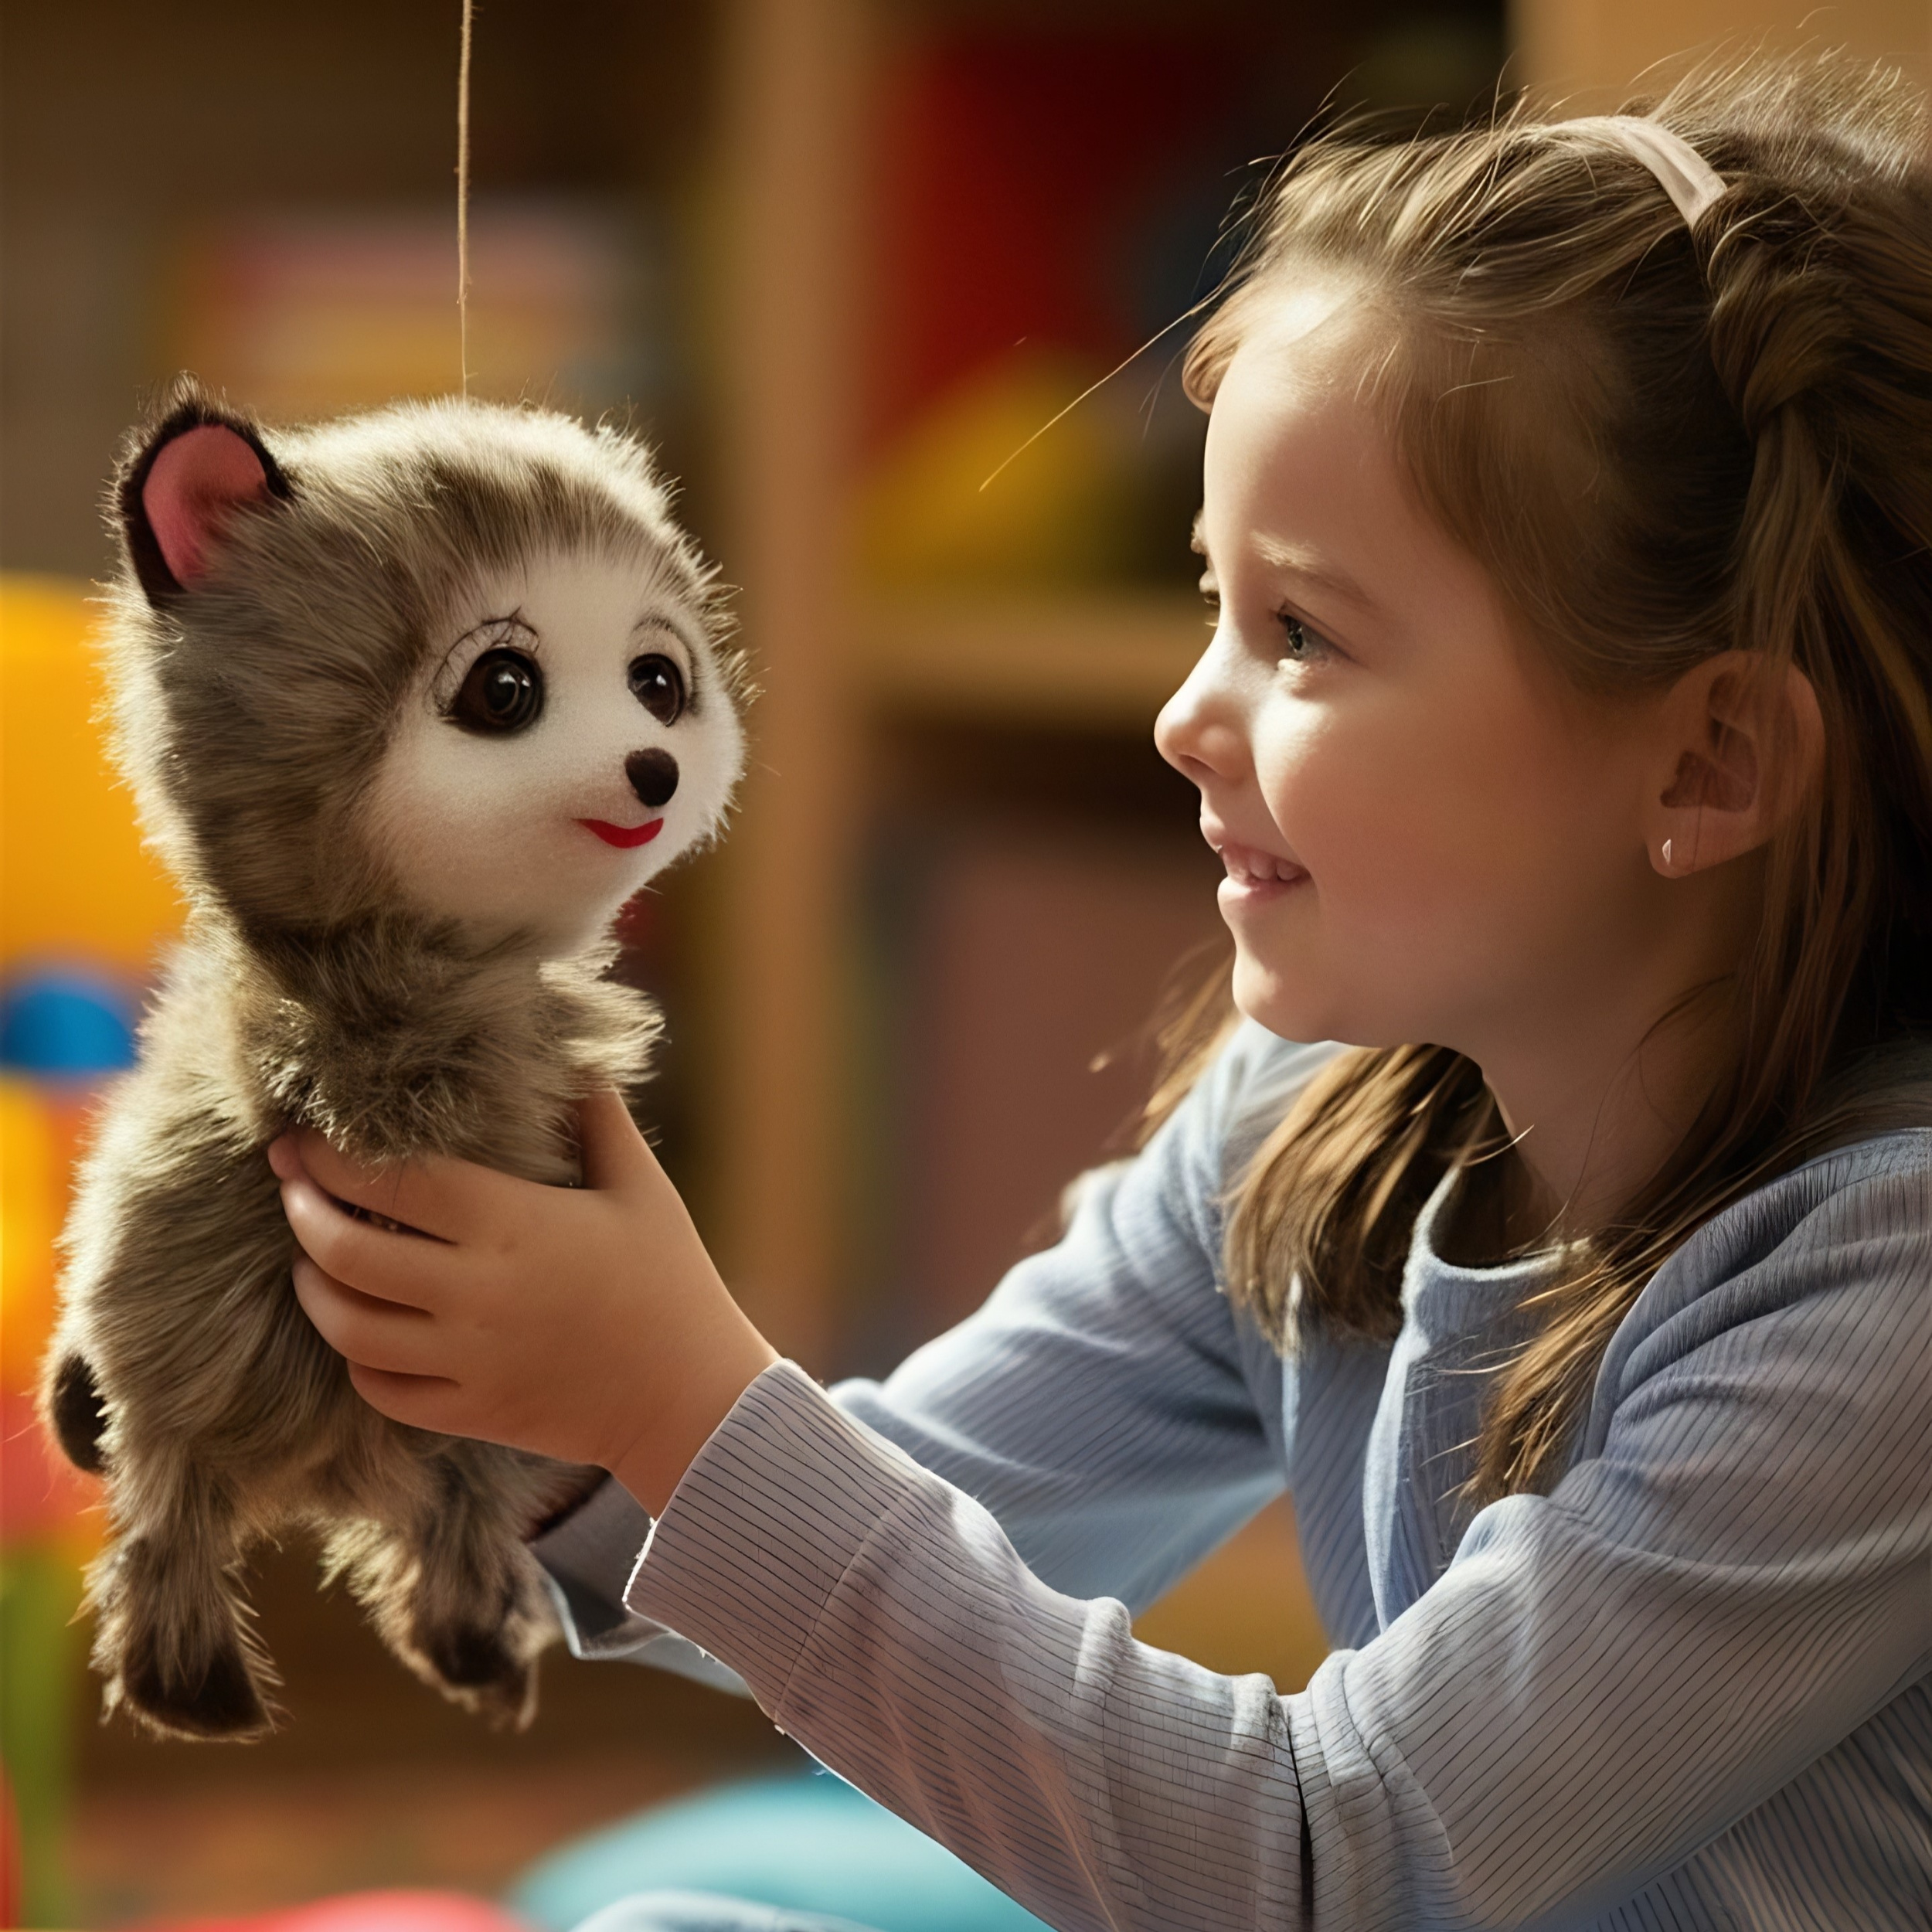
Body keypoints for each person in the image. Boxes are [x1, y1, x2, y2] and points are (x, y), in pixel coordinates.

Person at [271, 53, 1932, 1932]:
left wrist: (675, 1388)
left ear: (1707, 759)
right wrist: (499, 1378)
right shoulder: (1327, 1124)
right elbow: (891, 1517)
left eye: (1300, 632)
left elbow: (1317, 1864)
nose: (1180, 711)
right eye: (1206, 601)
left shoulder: (1885, 1286)